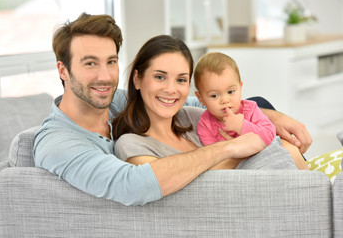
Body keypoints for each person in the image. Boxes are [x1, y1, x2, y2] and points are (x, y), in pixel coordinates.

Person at [33, 12, 311, 206]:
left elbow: (189, 105)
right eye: (90, 63)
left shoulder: (114, 101)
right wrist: (229, 149)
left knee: (265, 110)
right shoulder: (58, 142)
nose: (105, 76)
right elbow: (134, 185)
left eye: (111, 61)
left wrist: (273, 118)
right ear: (63, 70)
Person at [112, 34, 300, 172]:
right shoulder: (131, 145)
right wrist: (236, 150)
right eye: (160, 77)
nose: (171, 89)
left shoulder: (193, 116)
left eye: (181, 80)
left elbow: (234, 106)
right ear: (137, 79)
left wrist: (272, 121)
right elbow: (171, 186)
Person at [194, 52, 309, 170]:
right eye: (214, 96)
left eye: (231, 92)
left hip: (268, 161)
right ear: (201, 98)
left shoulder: (250, 109)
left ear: (240, 87)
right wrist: (236, 147)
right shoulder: (205, 125)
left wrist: (242, 126)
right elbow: (214, 159)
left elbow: (270, 136)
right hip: (241, 171)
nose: (225, 100)